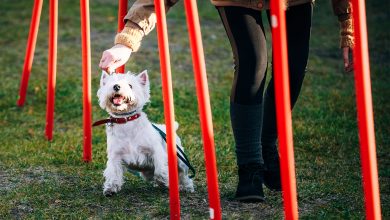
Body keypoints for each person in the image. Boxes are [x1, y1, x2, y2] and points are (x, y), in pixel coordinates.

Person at [99, 0, 354, 203]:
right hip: (238, 2)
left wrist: (348, 25)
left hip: (295, 3)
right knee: (253, 64)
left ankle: (266, 145)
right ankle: (250, 166)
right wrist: (127, 41)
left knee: (293, 70)